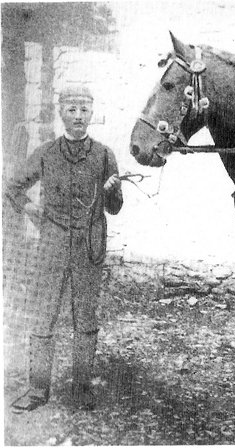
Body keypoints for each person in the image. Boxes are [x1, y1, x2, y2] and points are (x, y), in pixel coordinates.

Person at [5, 84, 123, 412]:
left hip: (89, 248)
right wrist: (31, 209)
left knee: (85, 318)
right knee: (44, 315)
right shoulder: (46, 153)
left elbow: (114, 208)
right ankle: (37, 390)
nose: (78, 116)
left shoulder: (104, 155)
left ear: (92, 113)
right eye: (72, 109)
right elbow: (13, 187)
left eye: (84, 110)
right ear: (61, 113)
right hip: (52, 245)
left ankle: (81, 390)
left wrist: (112, 191)